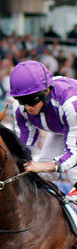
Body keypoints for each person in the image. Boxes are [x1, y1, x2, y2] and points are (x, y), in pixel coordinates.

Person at [10, 61, 77, 198]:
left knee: (73, 174)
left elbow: (74, 154)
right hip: (64, 127)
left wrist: (47, 165)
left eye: (32, 100)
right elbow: (23, 148)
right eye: (22, 100)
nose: (28, 107)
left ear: (46, 92)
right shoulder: (19, 109)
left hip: (73, 122)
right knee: (43, 175)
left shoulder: (70, 103)